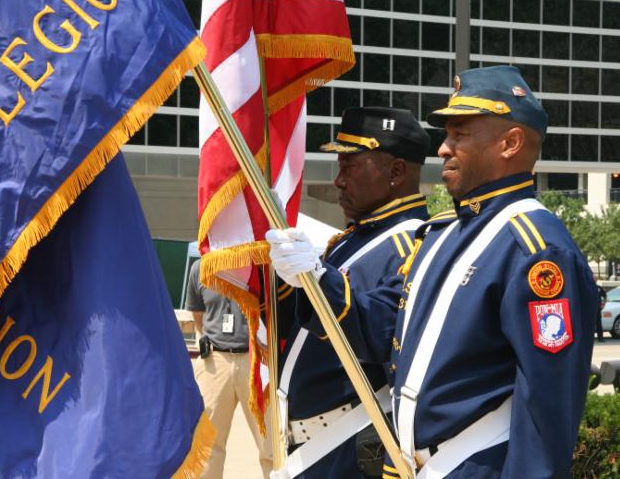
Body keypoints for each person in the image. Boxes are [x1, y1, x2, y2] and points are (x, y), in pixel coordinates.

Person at [267, 66, 598, 478]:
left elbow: (548, 405)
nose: (443, 148)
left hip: (476, 465)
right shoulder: (440, 234)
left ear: (510, 143)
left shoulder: (536, 249)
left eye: (459, 134)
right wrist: (314, 280)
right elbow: (379, 331)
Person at [269, 106, 431, 478]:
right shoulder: (348, 241)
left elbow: (380, 333)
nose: (338, 181)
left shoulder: (414, 246)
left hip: (356, 446)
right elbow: (297, 329)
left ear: (396, 172)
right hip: (310, 446)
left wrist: (317, 275)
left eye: (350, 166)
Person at [185, 259, 272, 478]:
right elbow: (198, 314)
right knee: (207, 442)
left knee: (269, 442)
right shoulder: (200, 268)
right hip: (215, 361)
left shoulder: (259, 266)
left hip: (255, 360)